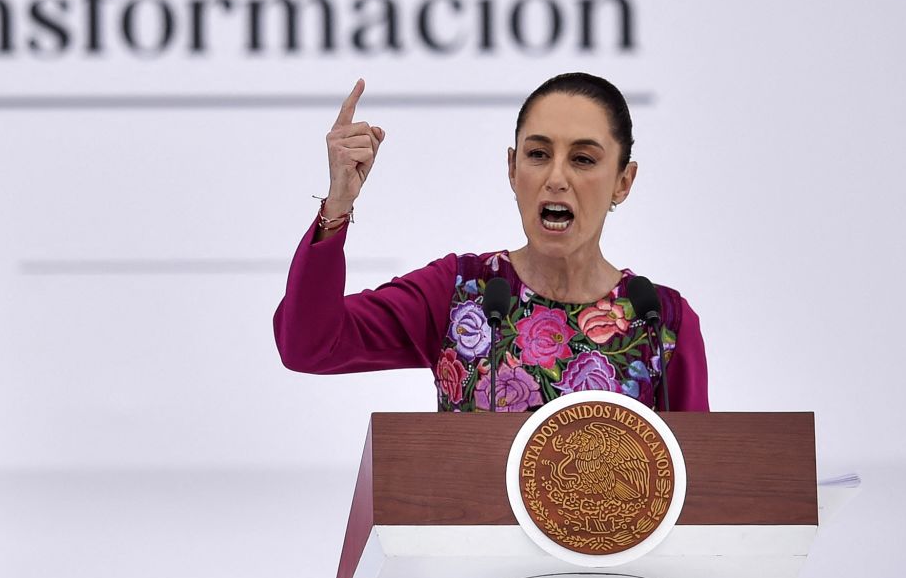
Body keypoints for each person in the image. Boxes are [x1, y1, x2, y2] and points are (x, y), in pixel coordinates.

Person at [273, 73, 709, 412]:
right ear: (512, 168)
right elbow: (308, 345)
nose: (556, 179)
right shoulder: (463, 292)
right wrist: (338, 204)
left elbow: (697, 490)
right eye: (538, 155)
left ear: (623, 181)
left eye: (583, 159)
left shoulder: (661, 323)